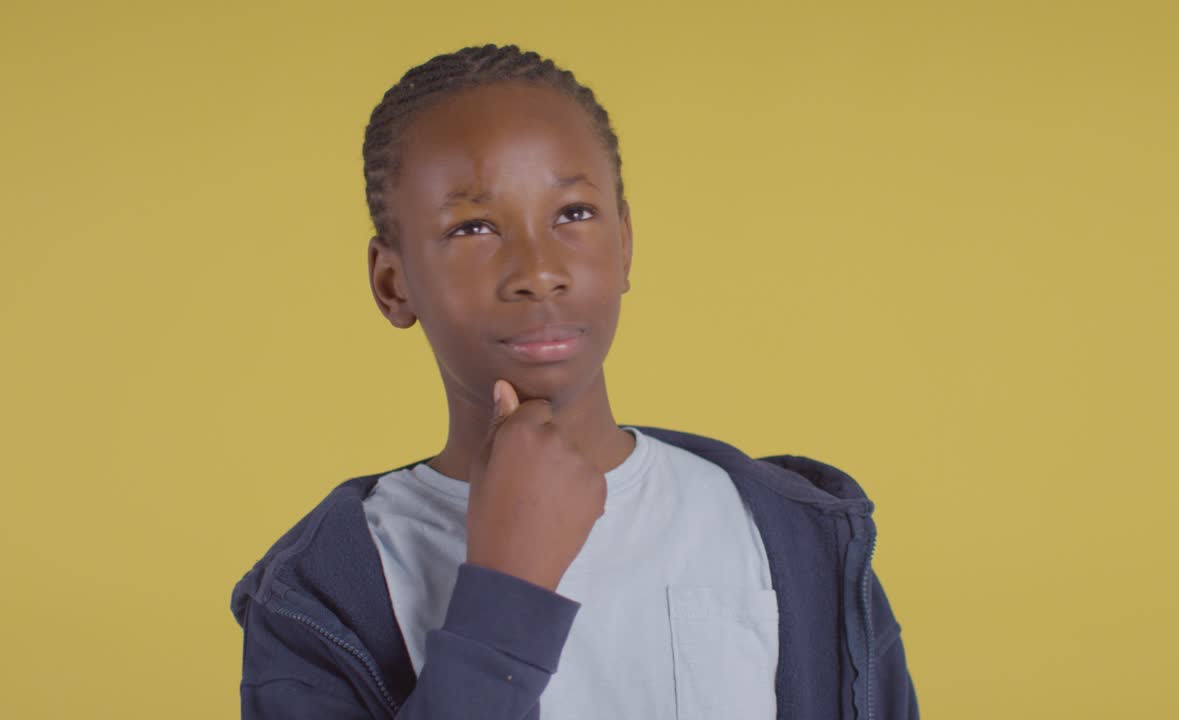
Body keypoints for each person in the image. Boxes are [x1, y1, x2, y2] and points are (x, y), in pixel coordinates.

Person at [230, 43, 920, 720]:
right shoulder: (320, 593)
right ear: (393, 282)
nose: (538, 268)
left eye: (573, 215)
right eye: (473, 226)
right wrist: (506, 593)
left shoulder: (795, 537)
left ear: (624, 244)